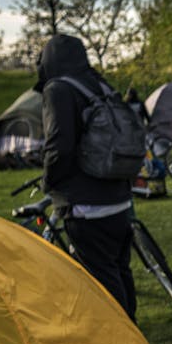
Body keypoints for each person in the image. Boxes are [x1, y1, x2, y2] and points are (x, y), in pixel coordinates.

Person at [37, 33, 137, 319]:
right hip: (119, 196)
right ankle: (133, 331)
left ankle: (124, 343)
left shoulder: (58, 89)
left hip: (86, 204)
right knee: (119, 270)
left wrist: (49, 180)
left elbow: (59, 145)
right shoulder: (99, 85)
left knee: (102, 280)